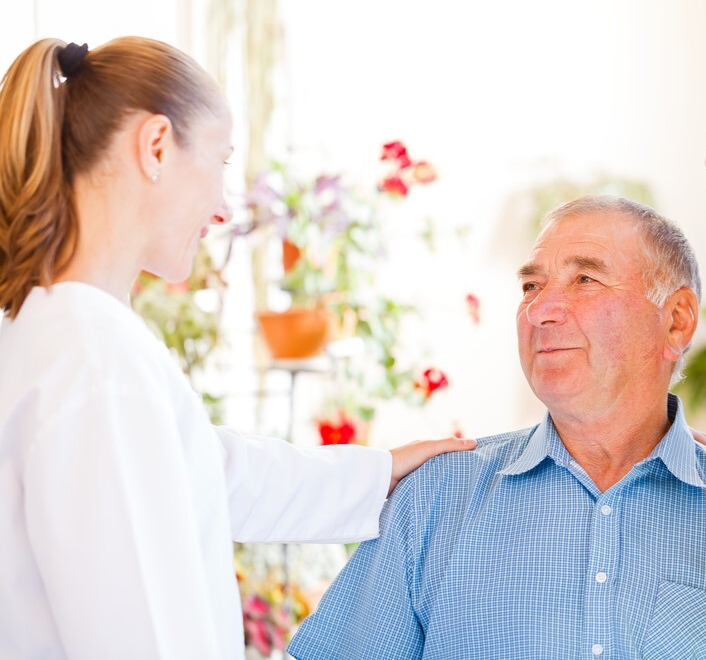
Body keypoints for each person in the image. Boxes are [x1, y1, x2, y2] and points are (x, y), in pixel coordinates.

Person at [0, 37, 475, 659]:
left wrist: (379, 474)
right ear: (157, 146)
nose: (223, 209)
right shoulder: (97, 361)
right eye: (222, 162)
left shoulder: (53, 333)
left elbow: (211, 473)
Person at [288, 195, 706, 659]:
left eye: (585, 279)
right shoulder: (433, 498)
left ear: (676, 319)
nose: (540, 309)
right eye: (530, 285)